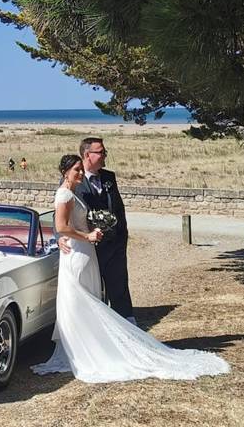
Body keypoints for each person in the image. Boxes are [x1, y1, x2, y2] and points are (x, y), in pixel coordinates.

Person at [32, 155, 229, 383]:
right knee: (76, 303)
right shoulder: (64, 193)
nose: (78, 173)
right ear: (65, 172)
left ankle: (88, 348)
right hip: (76, 252)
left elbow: (72, 222)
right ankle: (79, 351)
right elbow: (60, 226)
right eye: (75, 170)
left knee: (86, 300)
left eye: (79, 170)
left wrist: (92, 231)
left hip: (86, 252)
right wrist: (85, 235)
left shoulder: (73, 192)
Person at [76, 137, 134, 321]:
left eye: (104, 152)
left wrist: (122, 235)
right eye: (100, 152)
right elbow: (60, 215)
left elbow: (119, 208)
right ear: (87, 155)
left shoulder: (109, 177)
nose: (104, 155)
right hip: (88, 248)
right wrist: (61, 237)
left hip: (115, 245)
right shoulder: (74, 180)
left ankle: (128, 328)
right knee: (92, 291)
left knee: (119, 287)